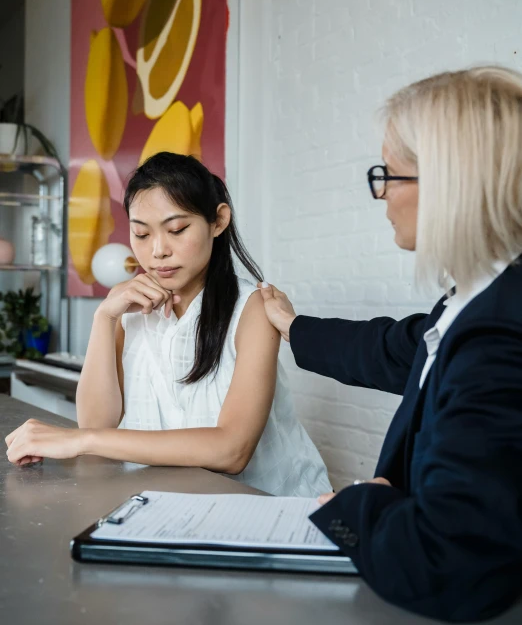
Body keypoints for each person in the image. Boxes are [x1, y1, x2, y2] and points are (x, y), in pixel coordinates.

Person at [258, 66, 522, 622]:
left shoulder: (499, 334)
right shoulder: (476, 300)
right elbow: (395, 347)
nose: (381, 193)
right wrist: (292, 325)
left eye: (390, 175)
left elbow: (449, 563)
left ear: (450, 184)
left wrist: (359, 503)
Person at [6, 152, 331, 498]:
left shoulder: (252, 309)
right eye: (141, 234)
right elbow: (97, 422)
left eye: (177, 229)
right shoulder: (127, 307)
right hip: (170, 507)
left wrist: (80, 441)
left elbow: (232, 450)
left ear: (218, 221)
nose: (158, 250)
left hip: (267, 508)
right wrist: (104, 318)